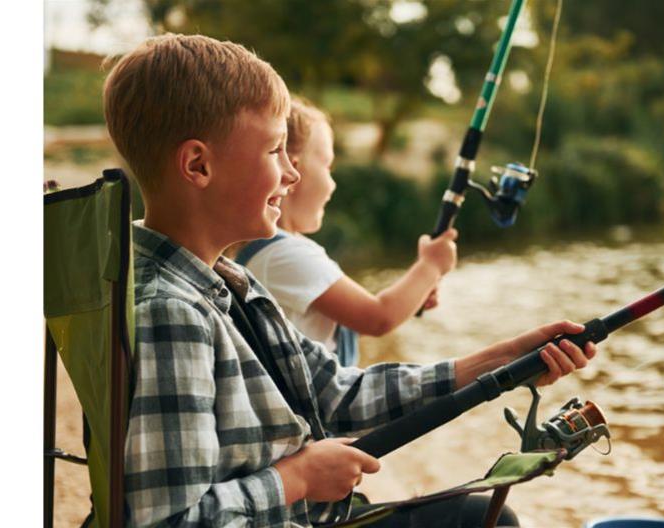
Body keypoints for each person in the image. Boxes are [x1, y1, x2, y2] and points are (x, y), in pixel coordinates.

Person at [105, 33, 598, 527]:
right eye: (276, 150)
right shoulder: (169, 313)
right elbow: (168, 522)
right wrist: (296, 479)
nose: (290, 175)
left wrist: (504, 361)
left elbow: (337, 393)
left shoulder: (229, 283)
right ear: (198, 164)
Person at [232, 98, 451, 367]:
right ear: (295, 169)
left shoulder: (276, 250)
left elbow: (349, 313)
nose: (332, 184)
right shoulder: (283, 254)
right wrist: (431, 265)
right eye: (328, 166)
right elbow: (377, 317)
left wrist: (411, 295)